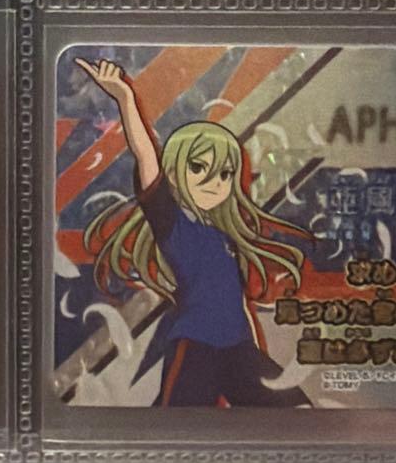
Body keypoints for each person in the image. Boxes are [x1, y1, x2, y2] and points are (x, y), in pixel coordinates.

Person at [78, 57, 310, 406]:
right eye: (199, 167)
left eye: (224, 173)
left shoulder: (227, 237)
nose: (214, 181)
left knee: (299, 410)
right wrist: (125, 97)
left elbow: (240, 304)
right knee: (176, 426)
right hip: (196, 349)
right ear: (173, 175)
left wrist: (257, 353)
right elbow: (145, 156)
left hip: (239, 352)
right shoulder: (176, 226)